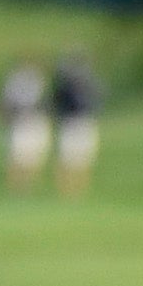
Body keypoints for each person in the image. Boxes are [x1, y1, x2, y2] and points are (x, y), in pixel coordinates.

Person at [50, 51, 104, 197]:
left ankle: (79, 190)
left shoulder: (89, 83)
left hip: (84, 121)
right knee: (66, 157)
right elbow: (57, 103)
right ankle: (65, 190)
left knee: (83, 157)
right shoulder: (65, 85)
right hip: (70, 122)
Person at [1, 60, 49, 192]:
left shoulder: (39, 81)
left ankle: (29, 185)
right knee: (17, 155)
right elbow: (8, 102)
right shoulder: (14, 82)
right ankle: (16, 186)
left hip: (35, 121)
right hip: (20, 121)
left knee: (34, 155)